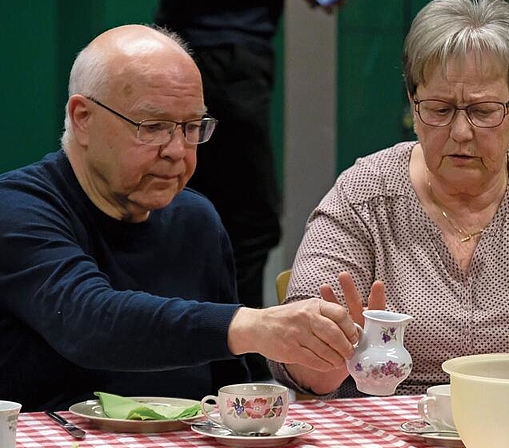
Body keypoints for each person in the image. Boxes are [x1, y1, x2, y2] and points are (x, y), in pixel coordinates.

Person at [268, 0, 509, 398]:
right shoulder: (363, 195)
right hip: (396, 428)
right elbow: (298, 355)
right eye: (440, 109)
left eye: (483, 111)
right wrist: (323, 356)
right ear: (413, 104)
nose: (461, 131)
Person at [0, 24, 360, 412]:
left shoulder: (196, 219)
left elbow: (228, 387)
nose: (177, 150)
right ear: (83, 117)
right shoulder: (18, 207)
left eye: (191, 128)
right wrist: (254, 326)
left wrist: (315, 366)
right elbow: (88, 320)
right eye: (153, 127)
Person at [154, 0, 342, 381]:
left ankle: (195, 357)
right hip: (230, 56)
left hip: (175, 50)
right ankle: (240, 368)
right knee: (249, 224)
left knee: (177, 208)